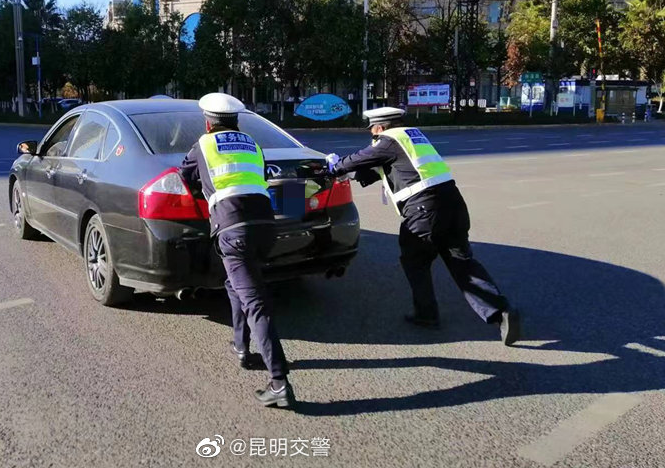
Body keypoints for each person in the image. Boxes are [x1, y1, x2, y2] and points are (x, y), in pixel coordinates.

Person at [326, 107, 521, 345]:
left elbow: (360, 158)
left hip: (425, 210)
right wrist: (353, 175)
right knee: (461, 261)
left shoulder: (388, 141)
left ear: (379, 127)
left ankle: (426, 314)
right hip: (453, 204)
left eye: (371, 130)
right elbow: (385, 170)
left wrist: (336, 166)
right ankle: (502, 312)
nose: (371, 135)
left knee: (415, 261)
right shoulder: (414, 138)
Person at [179, 92, 294, 408]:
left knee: (256, 302)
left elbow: (185, 174)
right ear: (237, 120)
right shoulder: (253, 144)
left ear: (207, 122)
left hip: (233, 230)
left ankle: (279, 383)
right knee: (235, 284)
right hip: (266, 229)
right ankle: (241, 346)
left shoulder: (203, 144)